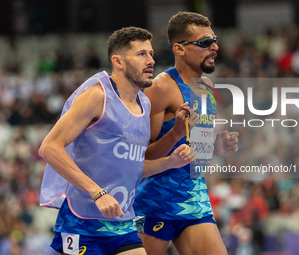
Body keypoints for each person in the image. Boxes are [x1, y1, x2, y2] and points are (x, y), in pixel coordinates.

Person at [39, 27, 195, 255]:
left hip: (122, 223)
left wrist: (169, 162)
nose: (151, 60)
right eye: (141, 54)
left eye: (151, 54)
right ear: (118, 61)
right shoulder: (97, 96)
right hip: (83, 223)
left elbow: (130, 166)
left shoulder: (145, 104)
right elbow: (49, 148)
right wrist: (97, 192)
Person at [134, 12, 239, 255]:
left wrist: (216, 147)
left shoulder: (207, 88)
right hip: (154, 202)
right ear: (179, 49)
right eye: (204, 43)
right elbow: (139, 157)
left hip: (193, 199)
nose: (214, 47)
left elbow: (195, 151)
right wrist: (174, 135)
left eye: (214, 40)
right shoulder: (160, 87)